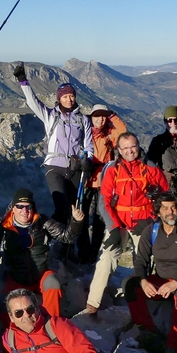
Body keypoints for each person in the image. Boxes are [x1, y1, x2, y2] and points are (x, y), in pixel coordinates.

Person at [84, 133, 169, 315]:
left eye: (133, 146)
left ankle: (140, 302)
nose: (130, 151)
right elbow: (104, 202)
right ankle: (92, 304)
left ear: (138, 146)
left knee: (144, 261)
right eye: (126, 148)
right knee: (107, 257)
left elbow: (166, 197)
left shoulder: (150, 167)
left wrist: (152, 219)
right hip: (119, 223)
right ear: (119, 151)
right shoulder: (112, 169)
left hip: (143, 223)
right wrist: (114, 228)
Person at [0, 188, 83, 318]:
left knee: (53, 285)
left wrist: (76, 222)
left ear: (33, 207)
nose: (24, 210)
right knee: (1, 306)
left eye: (28, 206)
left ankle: (53, 325)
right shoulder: (4, 226)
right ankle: (17, 334)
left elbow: (66, 236)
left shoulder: (42, 222)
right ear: (13, 208)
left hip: (41, 275)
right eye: (20, 206)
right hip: (16, 278)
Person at [123, 192, 177, 353]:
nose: (170, 212)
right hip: (161, 280)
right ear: (158, 212)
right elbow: (141, 261)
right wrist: (143, 281)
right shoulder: (151, 231)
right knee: (130, 284)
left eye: (173, 207)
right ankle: (148, 330)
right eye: (165, 208)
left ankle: (173, 346)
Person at [13, 63, 93, 227]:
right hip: (54, 167)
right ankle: (48, 235)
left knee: (75, 209)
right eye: (65, 97)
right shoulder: (51, 115)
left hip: (76, 167)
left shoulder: (83, 119)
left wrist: (88, 159)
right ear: (59, 99)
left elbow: (88, 144)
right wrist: (23, 81)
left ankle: (67, 245)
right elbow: (33, 102)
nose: (69, 99)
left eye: (71, 96)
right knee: (62, 205)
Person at [78, 104, 128, 264]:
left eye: (103, 116)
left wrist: (112, 115)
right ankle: (83, 251)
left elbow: (124, 135)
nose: (100, 119)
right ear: (90, 117)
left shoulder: (109, 135)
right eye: (96, 116)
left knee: (100, 219)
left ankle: (93, 253)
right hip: (86, 181)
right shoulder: (84, 134)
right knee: (82, 217)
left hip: (104, 181)